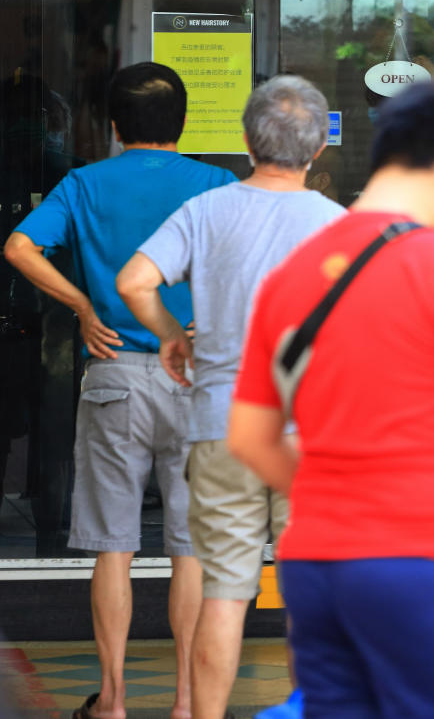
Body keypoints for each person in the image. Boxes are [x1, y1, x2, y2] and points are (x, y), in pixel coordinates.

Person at [227, 78, 434, 718]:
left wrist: (345, 495)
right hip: (432, 560)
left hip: (315, 564)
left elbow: (249, 439)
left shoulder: (294, 272)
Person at [2, 62, 236, 719]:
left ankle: (112, 702)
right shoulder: (216, 185)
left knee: (115, 547)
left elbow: (20, 247)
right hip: (193, 379)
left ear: (111, 126)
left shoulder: (83, 183)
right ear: (183, 123)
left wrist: (83, 306)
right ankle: (190, 705)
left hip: (113, 381)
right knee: (190, 549)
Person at [115, 75, 345, 719]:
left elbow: (134, 281)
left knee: (223, 594)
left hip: (222, 425)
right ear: (317, 150)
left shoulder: (207, 210)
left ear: (247, 141)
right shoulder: (340, 228)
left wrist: (170, 336)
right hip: (310, 437)